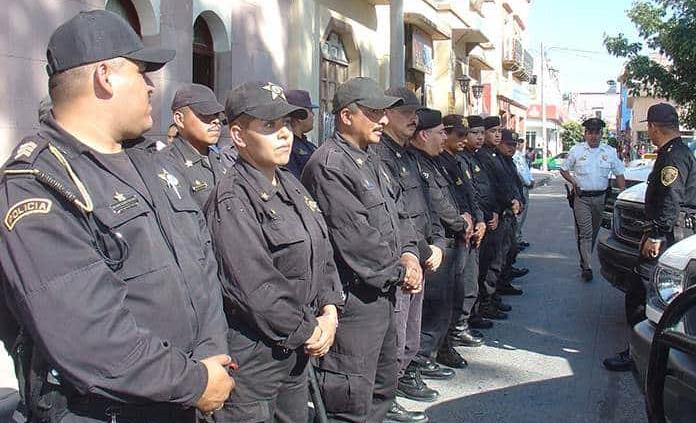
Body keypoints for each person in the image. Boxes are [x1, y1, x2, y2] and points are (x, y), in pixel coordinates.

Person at [0, 10, 233, 423]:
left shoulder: (152, 160)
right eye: (141, 71)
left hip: (184, 395)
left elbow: (201, 261)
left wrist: (212, 351)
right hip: (108, 411)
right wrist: (194, 382)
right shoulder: (38, 182)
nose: (150, 86)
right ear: (105, 76)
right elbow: (90, 339)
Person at [205, 81, 344, 422]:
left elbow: (321, 249)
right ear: (238, 136)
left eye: (285, 124)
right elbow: (256, 287)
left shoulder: (290, 184)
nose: (284, 134)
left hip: (296, 349)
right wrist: (310, 329)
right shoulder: (232, 199)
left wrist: (330, 308)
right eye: (269, 126)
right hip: (256, 360)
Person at [301, 77, 425, 423]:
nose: (384, 120)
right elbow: (357, 240)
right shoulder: (331, 165)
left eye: (384, 112)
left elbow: (399, 215)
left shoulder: (370, 159)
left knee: (381, 389)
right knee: (349, 401)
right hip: (354, 301)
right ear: (346, 116)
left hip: (382, 295)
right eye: (374, 113)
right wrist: (402, 272)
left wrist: (411, 254)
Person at [604, 103, 696, 371]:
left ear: (654, 127)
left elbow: (670, 198)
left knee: (645, 291)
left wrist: (656, 234)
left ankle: (640, 354)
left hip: (669, 234)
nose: (650, 132)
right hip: (671, 231)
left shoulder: (673, 156)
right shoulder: (676, 151)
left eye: (650, 128)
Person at [374, 87, 447, 413]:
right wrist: (417, 249)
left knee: (409, 335)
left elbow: (422, 206)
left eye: (415, 114)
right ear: (386, 114)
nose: (413, 119)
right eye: (407, 113)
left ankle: (396, 386)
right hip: (400, 257)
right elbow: (393, 213)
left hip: (418, 251)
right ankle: (385, 400)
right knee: (396, 336)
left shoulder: (406, 154)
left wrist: (435, 243)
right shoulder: (380, 155)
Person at [408, 109, 480, 376]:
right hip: (435, 245)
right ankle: (422, 359)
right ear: (424, 135)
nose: (444, 138)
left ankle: (437, 350)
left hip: (448, 239)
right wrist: (461, 223)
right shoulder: (417, 162)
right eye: (440, 133)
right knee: (433, 308)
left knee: (449, 300)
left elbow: (451, 196)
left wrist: (470, 219)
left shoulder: (434, 160)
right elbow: (437, 203)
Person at [560, 117, 625, 281]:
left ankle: (585, 257)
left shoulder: (609, 152)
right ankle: (587, 266)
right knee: (586, 233)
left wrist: (623, 194)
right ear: (585, 134)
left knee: (594, 232)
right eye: (590, 133)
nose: (593, 136)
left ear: (601, 134)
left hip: (600, 198)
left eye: (597, 133)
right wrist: (574, 182)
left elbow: (619, 173)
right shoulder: (577, 150)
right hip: (582, 198)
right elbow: (564, 169)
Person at [459, 116, 508, 321]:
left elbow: (493, 187)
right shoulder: (465, 158)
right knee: (478, 271)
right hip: (481, 220)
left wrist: (498, 209)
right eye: (475, 133)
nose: (479, 137)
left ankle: (484, 303)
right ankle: (476, 310)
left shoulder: (480, 156)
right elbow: (474, 193)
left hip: (491, 216)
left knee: (491, 262)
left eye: (481, 133)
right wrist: (486, 216)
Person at [161, 83, 228, 209]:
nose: (216, 121)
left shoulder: (219, 159)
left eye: (216, 115)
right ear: (179, 119)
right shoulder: (165, 163)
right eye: (205, 115)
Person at [478, 116, 524, 297]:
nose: (497, 135)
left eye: (499, 131)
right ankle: (487, 299)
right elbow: (489, 188)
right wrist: (499, 208)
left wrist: (517, 200)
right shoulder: (483, 156)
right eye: (492, 131)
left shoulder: (497, 156)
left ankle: (495, 291)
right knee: (491, 260)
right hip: (494, 214)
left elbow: (510, 184)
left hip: (504, 212)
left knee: (504, 253)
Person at [285, 89, 319, 179]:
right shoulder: (288, 148)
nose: (313, 115)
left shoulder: (308, 145)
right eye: (310, 110)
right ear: (300, 115)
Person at [513, 137, 534, 249]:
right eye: (518, 142)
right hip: (520, 186)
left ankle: (518, 238)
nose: (520, 144)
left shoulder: (520, 155)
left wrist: (531, 180)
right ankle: (515, 239)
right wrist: (527, 181)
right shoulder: (513, 156)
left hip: (526, 186)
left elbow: (526, 170)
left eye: (520, 142)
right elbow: (519, 173)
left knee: (523, 214)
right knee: (518, 216)